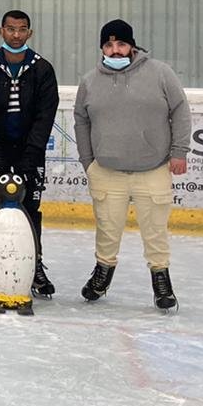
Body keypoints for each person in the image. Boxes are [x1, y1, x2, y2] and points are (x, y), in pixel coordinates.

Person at [73, 19, 190, 311]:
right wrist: (88, 161)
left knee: (155, 230)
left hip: (153, 169)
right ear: (102, 48)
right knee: (107, 229)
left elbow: (181, 110)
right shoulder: (89, 81)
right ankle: (102, 275)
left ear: (132, 45)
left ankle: (161, 280)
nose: (115, 51)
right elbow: (81, 121)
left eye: (121, 44)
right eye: (109, 45)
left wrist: (179, 151)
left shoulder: (160, 73)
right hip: (107, 171)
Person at [0, 10, 58, 298]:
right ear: (1, 31)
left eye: (21, 29)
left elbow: (46, 115)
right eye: (10, 29)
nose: (16, 35)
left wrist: (32, 153)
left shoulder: (43, 70)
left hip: (29, 154)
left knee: (30, 210)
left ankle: (35, 266)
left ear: (29, 33)